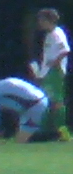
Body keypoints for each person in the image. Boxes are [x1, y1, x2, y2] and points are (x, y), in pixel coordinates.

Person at [29, 8, 68, 139]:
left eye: (41, 20)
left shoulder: (57, 33)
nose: (39, 23)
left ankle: (62, 131)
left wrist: (56, 65)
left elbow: (65, 50)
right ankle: (49, 131)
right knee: (47, 101)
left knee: (57, 101)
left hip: (54, 73)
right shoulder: (49, 35)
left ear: (48, 20)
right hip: (47, 72)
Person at [0, 77, 56, 142]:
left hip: (35, 105)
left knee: (21, 140)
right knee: (21, 137)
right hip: (40, 100)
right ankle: (53, 134)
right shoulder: (2, 83)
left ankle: (56, 135)